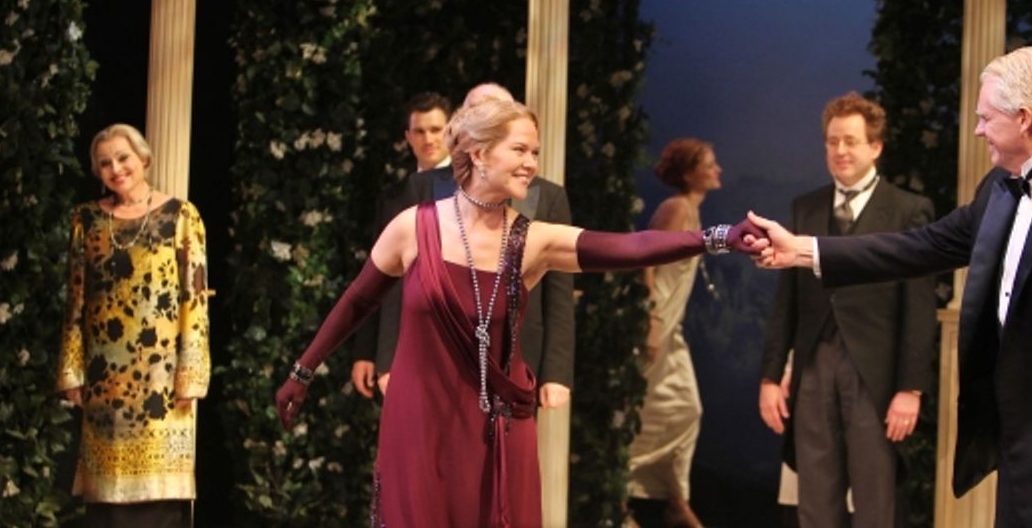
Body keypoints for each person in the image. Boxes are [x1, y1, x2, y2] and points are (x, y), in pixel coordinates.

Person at [276, 98, 766, 527]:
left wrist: (716, 237)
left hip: (496, 425)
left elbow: (629, 246)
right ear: (479, 154)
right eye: (520, 150)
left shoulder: (532, 240)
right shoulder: (412, 228)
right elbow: (359, 299)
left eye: (535, 151)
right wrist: (305, 368)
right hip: (419, 420)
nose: (532, 162)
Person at [749, 47, 1032, 528]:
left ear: (1024, 119)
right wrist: (801, 250)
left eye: (987, 117)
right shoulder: (999, 187)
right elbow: (919, 247)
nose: (979, 129)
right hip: (1018, 443)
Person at [758, 93, 935, 528]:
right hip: (815, 365)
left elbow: (918, 304)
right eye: (832, 142)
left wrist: (911, 388)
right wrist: (770, 375)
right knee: (815, 499)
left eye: (851, 141)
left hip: (874, 375)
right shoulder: (806, 207)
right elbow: (788, 300)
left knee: (875, 500)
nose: (840, 151)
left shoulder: (909, 210)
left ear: (875, 147)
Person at [352, 83, 575, 408]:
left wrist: (556, 373)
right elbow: (395, 281)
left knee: (507, 455)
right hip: (436, 354)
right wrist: (386, 358)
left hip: (515, 357)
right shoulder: (424, 187)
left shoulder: (547, 196)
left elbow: (559, 291)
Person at [56, 124, 210, 528]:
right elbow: (77, 298)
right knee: (107, 506)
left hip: (161, 382)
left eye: (123, 157)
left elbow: (193, 300)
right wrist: (71, 370)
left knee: (157, 505)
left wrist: (190, 376)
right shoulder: (86, 220)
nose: (116, 168)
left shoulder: (181, 215)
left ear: (143, 158)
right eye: (105, 163)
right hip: (104, 381)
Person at [628, 138, 722, 528]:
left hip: (673, 326)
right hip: (658, 321)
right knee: (645, 411)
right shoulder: (676, 208)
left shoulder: (692, 211)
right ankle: (622, 490)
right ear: (689, 173)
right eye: (709, 163)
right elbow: (645, 259)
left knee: (688, 409)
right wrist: (650, 320)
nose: (717, 169)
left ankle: (675, 499)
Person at [350, 91, 453, 398]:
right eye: (420, 131)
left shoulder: (472, 192)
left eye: (436, 130)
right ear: (408, 136)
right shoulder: (393, 198)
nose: (428, 139)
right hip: (398, 346)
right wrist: (366, 351)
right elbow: (377, 275)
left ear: (451, 132)